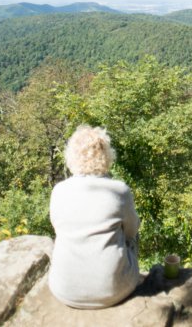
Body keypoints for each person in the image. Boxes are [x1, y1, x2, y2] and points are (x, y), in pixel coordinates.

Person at [48, 124, 141, 308]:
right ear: (107, 155)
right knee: (131, 238)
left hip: (64, 290)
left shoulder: (59, 191)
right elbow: (132, 231)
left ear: (72, 156)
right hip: (115, 291)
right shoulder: (119, 190)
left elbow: (57, 227)